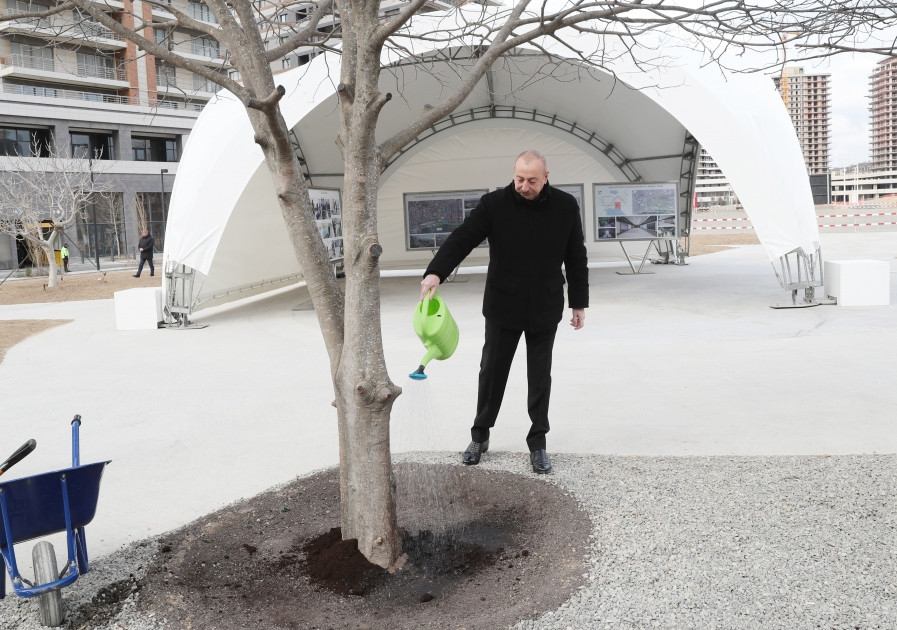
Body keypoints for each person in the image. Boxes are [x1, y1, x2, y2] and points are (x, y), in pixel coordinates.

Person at [419, 150, 589, 474]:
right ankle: (479, 436)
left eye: (532, 181)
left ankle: (538, 443)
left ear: (546, 177)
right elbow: (463, 238)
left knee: (540, 377)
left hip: (545, 306)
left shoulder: (565, 206)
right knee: (492, 372)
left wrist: (578, 303)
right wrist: (436, 272)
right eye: (519, 179)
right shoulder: (494, 204)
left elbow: (576, 256)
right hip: (503, 306)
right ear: (513, 174)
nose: (524, 186)